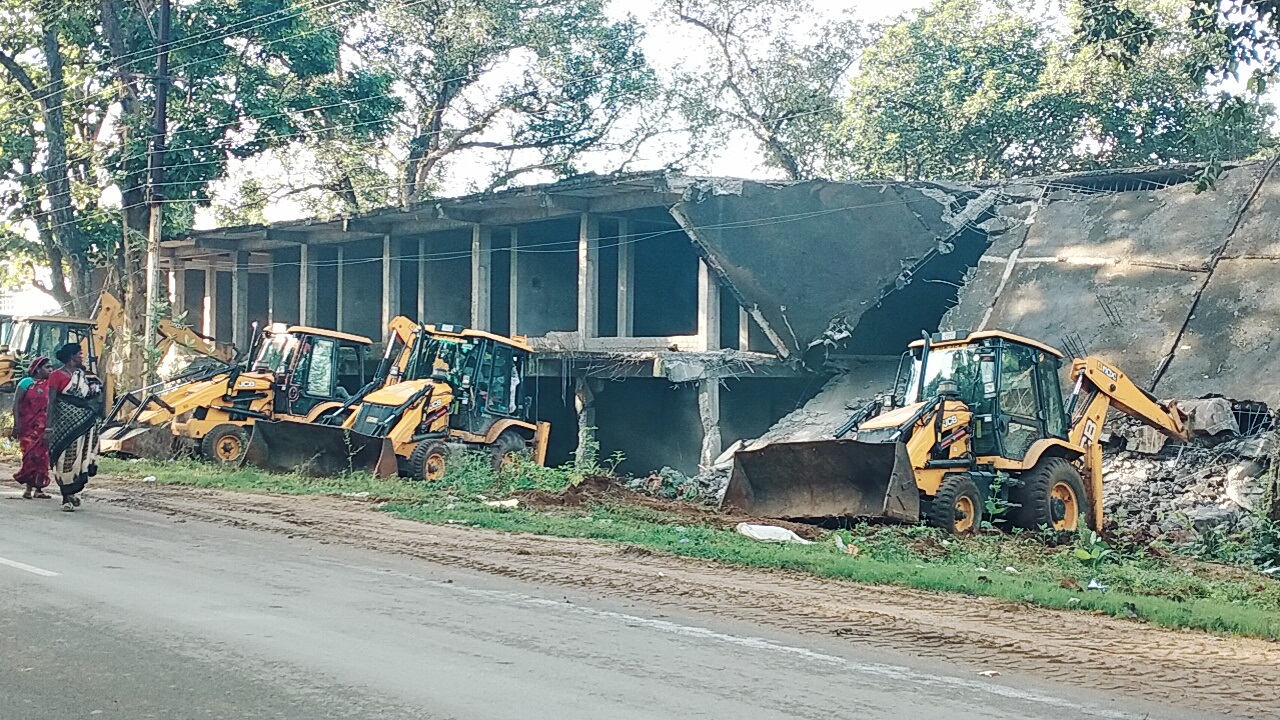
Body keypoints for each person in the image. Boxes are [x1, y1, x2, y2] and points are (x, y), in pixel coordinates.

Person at [45, 342, 103, 513]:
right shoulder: (56, 375)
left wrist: (94, 390)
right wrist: (48, 428)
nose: (81, 356)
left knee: (79, 459)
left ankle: (71, 492)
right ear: (71, 357)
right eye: (79, 354)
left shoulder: (82, 375)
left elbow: (88, 396)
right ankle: (65, 496)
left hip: (83, 424)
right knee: (63, 460)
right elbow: (52, 402)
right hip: (63, 425)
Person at [11, 357, 53, 499]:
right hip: (28, 427)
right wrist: (16, 424)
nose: (50, 370)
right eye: (47, 367)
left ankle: (39, 489)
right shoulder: (26, 383)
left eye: (51, 367)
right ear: (38, 369)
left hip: (44, 428)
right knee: (30, 457)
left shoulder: (50, 385)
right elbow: (16, 404)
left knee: (43, 458)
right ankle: (28, 488)